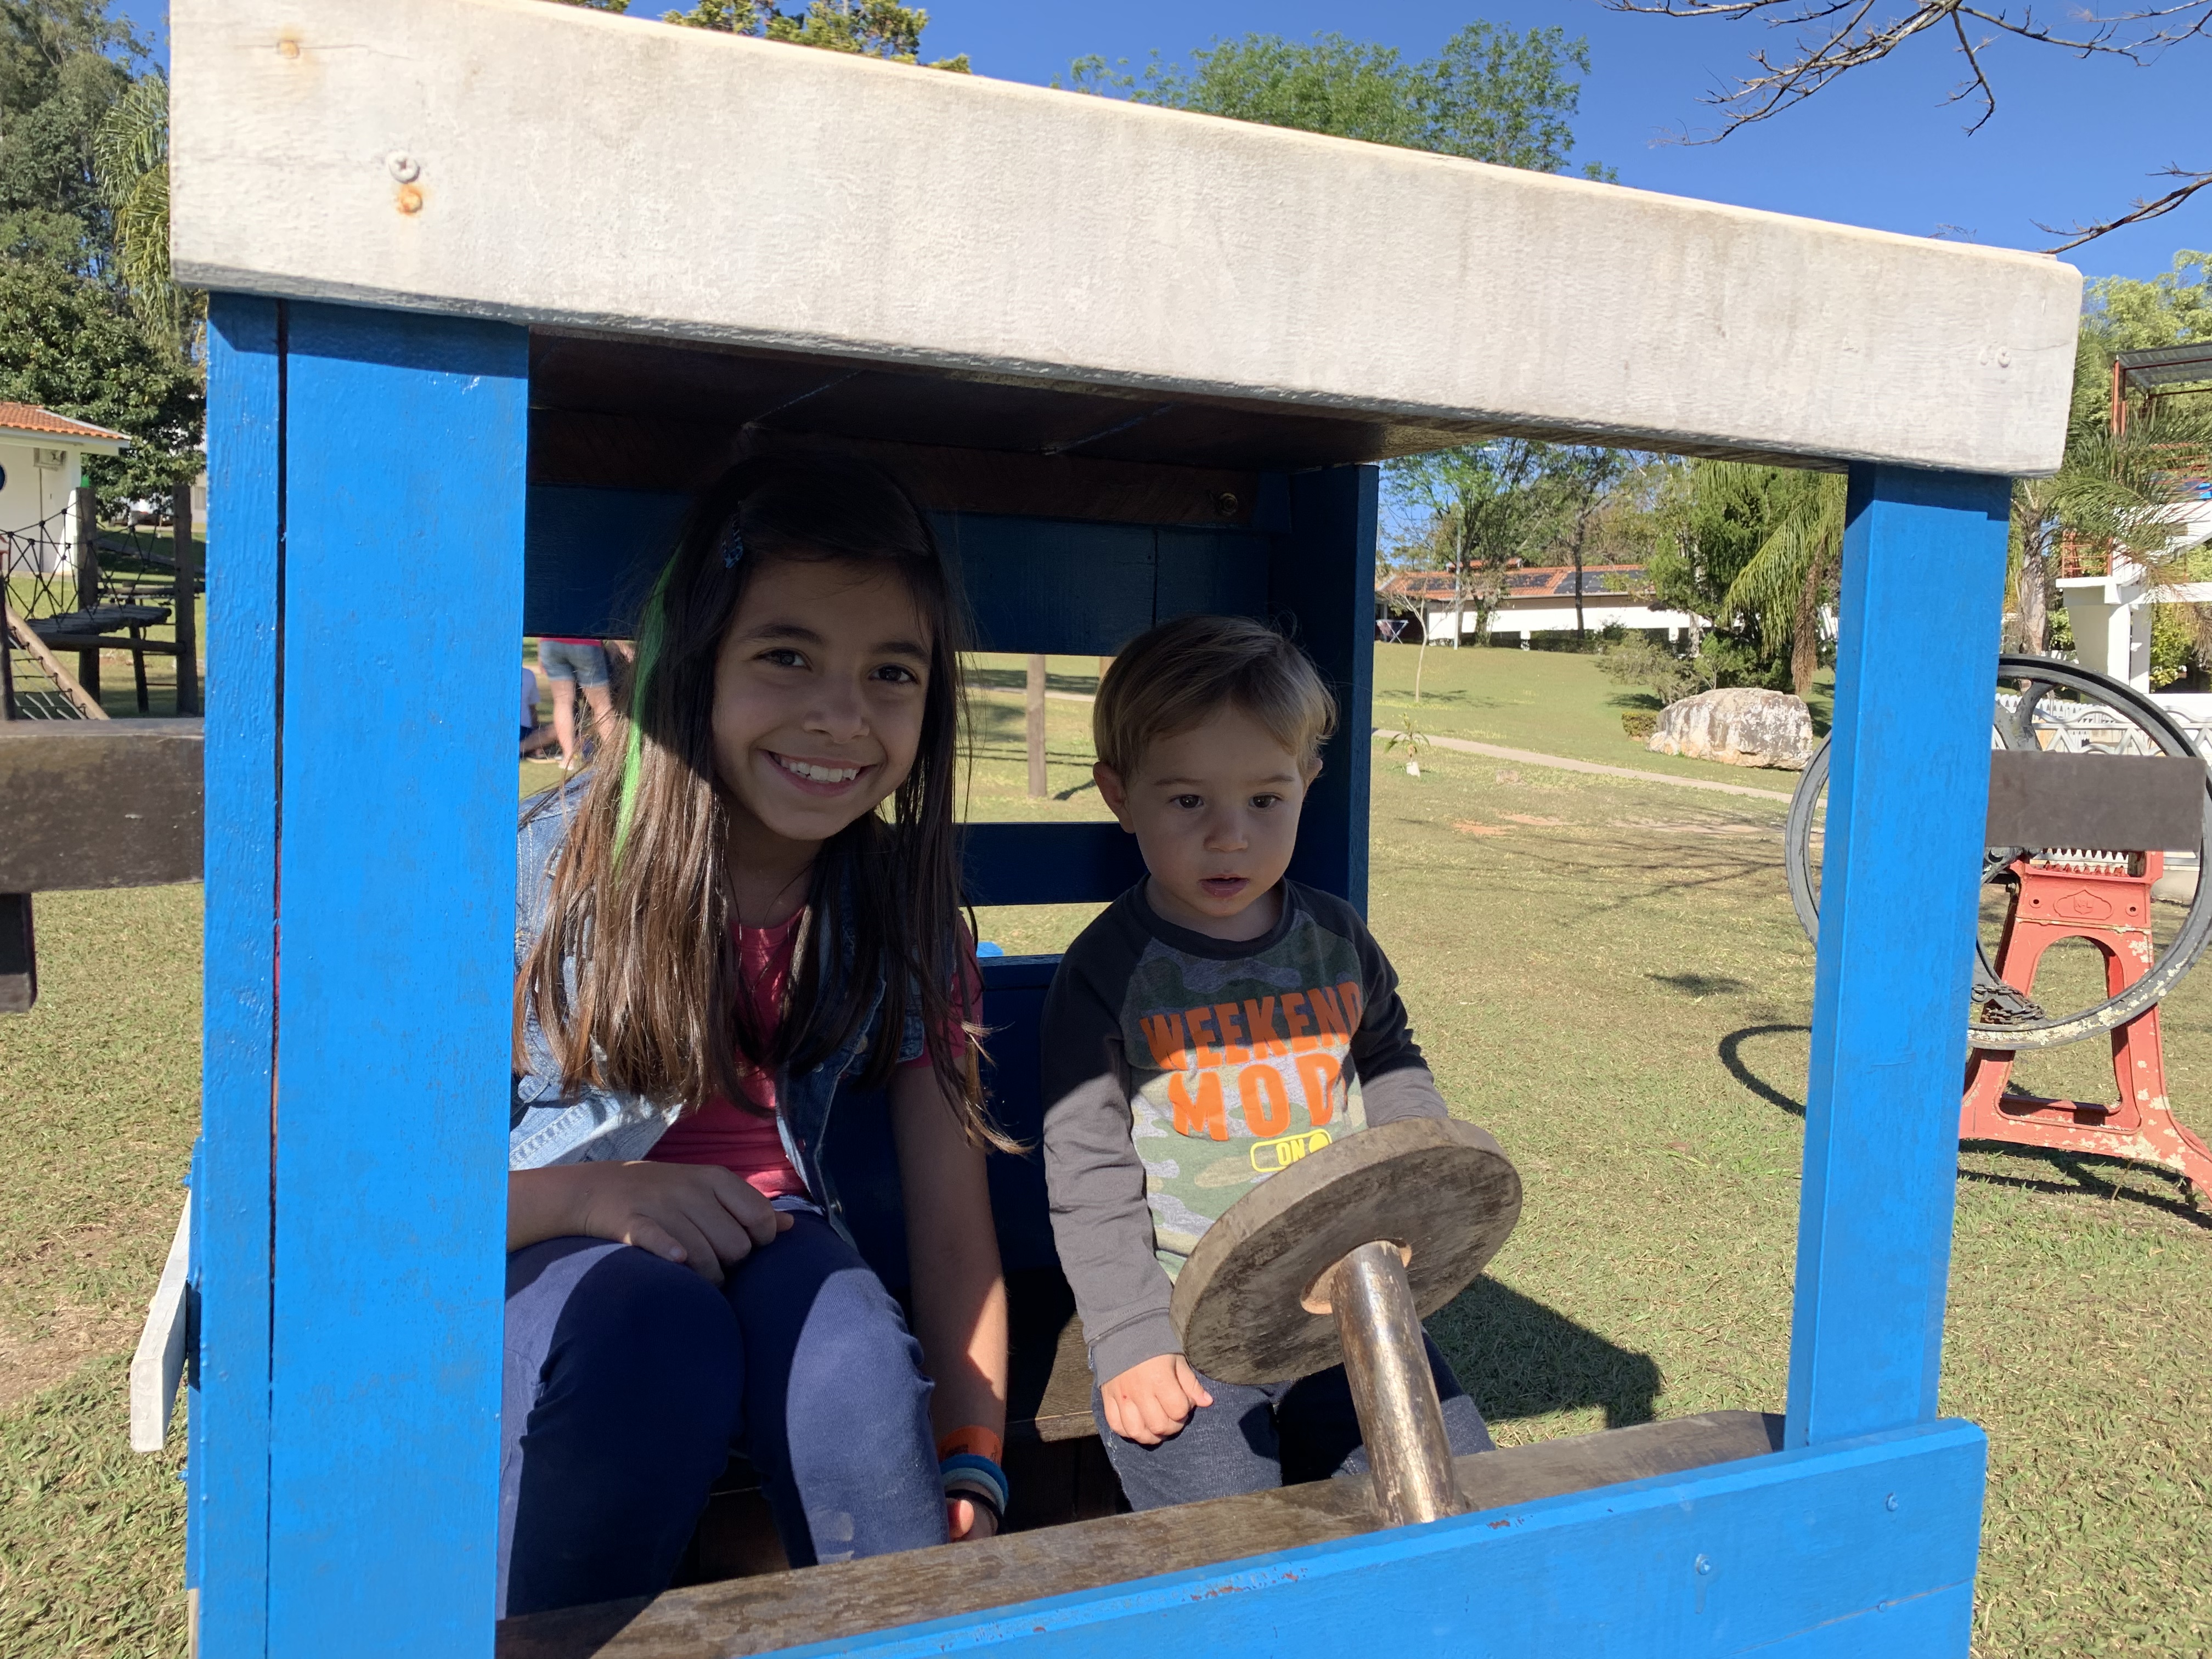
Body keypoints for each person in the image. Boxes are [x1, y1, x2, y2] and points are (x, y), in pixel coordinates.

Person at [504, 455, 1010, 1617]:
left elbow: (948, 1207)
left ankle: (915, 1628)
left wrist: (972, 1436)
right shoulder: (544, 874)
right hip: (548, 1265)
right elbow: (355, 1187)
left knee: (853, 1353)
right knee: (652, 1329)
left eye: (893, 673)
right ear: (698, 667)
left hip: (779, 1249)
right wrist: (597, 1200)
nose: (842, 716)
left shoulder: (901, 910)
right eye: (787, 656)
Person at [1039, 614, 1494, 1510]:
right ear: (1119, 793)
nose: (1229, 836)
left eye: (1263, 799)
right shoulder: (1104, 971)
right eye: (1185, 801)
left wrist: (1411, 1174)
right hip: (1186, 1315)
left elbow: (1389, 1051)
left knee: (1461, 1483)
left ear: (1305, 783)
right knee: (1222, 1529)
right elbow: (1088, 1169)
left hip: (1341, 1294)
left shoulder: (1335, 938)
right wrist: (1130, 1336)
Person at [536, 634, 617, 770]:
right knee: (602, 706)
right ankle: (615, 755)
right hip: (585, 643)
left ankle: (568, 758)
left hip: (550, 643)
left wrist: (540, 651)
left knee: (562, 702)